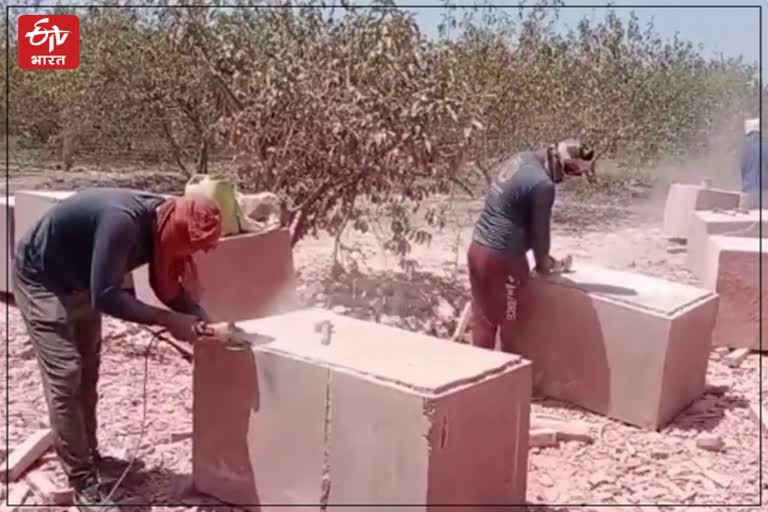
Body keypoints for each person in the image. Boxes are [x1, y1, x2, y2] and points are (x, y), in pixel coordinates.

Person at [12, 188, 223, 511]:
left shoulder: (165, 221)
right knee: (67, 373)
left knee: (88, 367)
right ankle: (83, 482)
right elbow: (107, 295)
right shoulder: (122, 222)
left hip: (81, 279)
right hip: (42, 278)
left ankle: (92, 457)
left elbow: (167, 286)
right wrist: (168, 320)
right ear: (174, 231)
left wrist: (204, 324)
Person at [467, 138, 596, 351]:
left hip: (477, 250)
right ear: (563, 165)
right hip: (504, 261)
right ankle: (511, 380)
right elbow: (540, 232)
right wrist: (544, 265)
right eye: (573, 173)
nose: (568, 179)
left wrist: (543, 256)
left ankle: (480, 379)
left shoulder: (523, 158)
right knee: (514, 325)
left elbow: (515, 209)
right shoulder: (543, 185)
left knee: (484, 320)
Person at [739, 117, 768, 209]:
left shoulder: (746, 146)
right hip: (765, 193)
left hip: (749, 191)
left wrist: (746, 183)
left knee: (744, 221)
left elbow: (743, 168)